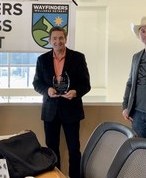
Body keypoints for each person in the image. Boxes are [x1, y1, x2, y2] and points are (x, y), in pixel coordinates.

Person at [33, 26, 91, 178]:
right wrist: (47, 90)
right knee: (51, 150)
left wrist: (75, 92)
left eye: (61, 38)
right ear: (49, 40)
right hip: (50, 111)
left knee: (74, 149)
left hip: (71, 109)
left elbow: (86, 84)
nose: (58, 41)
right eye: (54, 38)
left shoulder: (78, 57)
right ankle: (55, 176)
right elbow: (36, 83)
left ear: (65, 39)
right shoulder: (42, 60)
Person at [122, 16, 146, 139]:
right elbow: (130, 83)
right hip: (137, 115)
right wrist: (125, 106)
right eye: (143, 31)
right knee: (141, 152)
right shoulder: (136, 57)